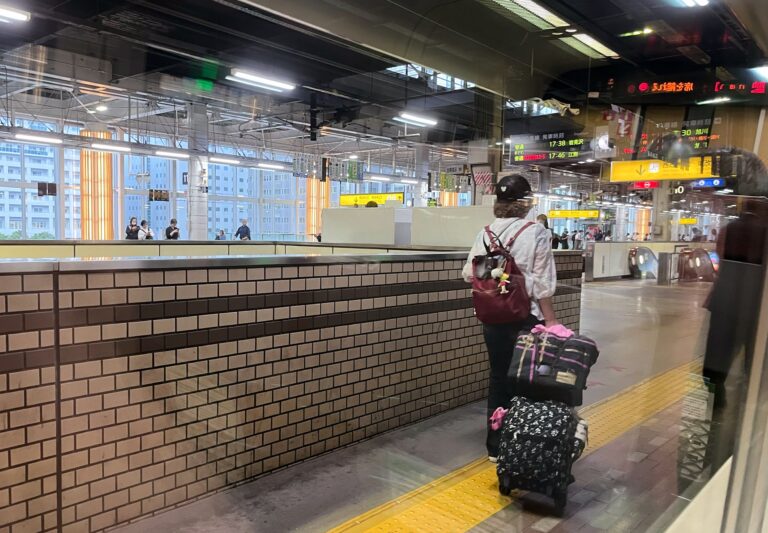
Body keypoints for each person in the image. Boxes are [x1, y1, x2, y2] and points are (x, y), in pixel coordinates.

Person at [463, 175, 558, 462]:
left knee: (498, 378)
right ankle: (521, 444)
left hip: (492, 317)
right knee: (526, 381)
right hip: (525, 317)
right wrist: (551, 321)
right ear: (525, 203)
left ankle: (495, 446)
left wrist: (495, 275)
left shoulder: (486, 232)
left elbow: (468, 273)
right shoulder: (536, 232)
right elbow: (541, 283)